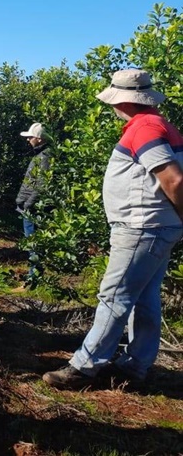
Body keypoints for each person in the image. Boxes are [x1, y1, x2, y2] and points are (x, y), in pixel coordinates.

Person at [43, 69, 183, 389]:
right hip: (158, 227)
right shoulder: (161, 125)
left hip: (141, 227)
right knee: (145, 297)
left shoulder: (145, 128)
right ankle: (134, 367)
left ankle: (84, 367)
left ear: (124, 100)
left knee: (114, 296)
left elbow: (174, 179)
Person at [16, 122, 52, 280]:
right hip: (29, 206)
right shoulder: (41, 155)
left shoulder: (45, 156)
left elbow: (42, 184)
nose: (28, 140)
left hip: (33, 208)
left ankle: (34, 278)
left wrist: (29, 204)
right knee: (32, 242)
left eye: (30, 137)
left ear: (38, 138)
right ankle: (34, 276)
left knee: (33, 243)